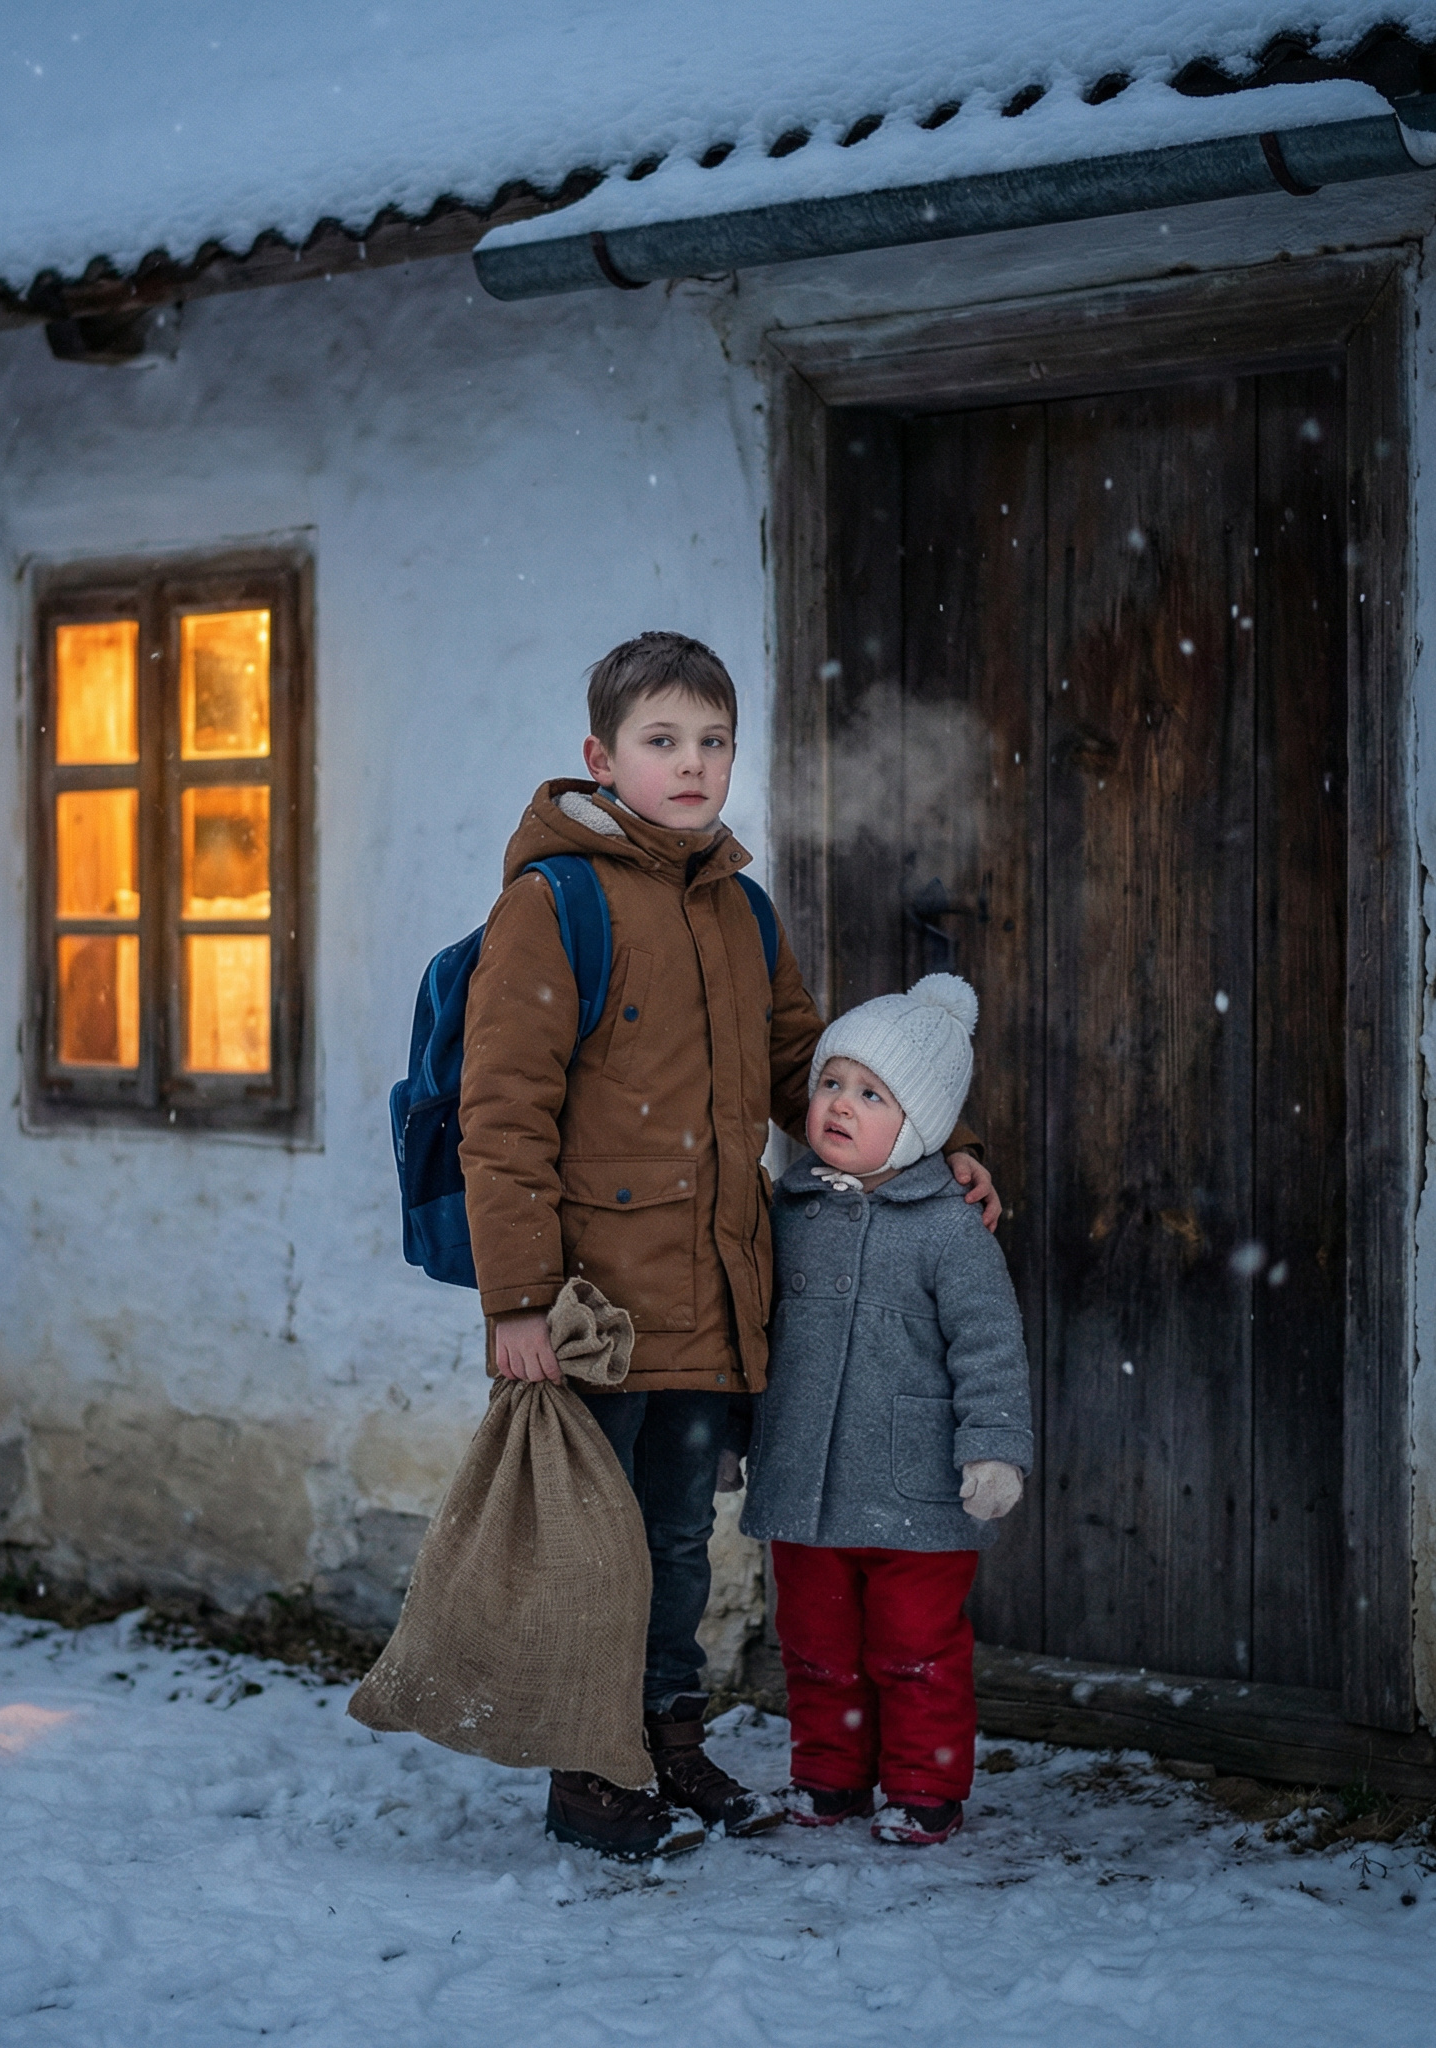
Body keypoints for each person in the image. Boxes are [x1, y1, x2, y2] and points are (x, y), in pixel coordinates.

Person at [457, 631, 999, 1860]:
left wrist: (932, 1141)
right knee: (593, 1554)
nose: (692, 763)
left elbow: (801, 1068)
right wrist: (521, 1295)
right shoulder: (553, 905)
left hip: (709, 1296)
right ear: (600, 757)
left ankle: (665, 1740)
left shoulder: (740, 909)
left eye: (712, 741)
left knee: (673, 1545)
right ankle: (590, 1777)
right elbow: (500, 1112)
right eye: (662, 741)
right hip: (590, 1304)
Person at [742, 972, 1033, 1847]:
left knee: (915, 1651)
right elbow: (750, 1339)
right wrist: (732, 1441)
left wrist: (994, 1451)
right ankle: (829, 1778)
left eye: (871, 1093)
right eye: (831, 1081)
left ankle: (924, 1787)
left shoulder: (948, 1225)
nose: (839, 1104)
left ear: (919, 1123)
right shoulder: (786, 1210)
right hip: (808, 1489)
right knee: (817, 1646)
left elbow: (989, 1346)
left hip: (917, 1499)